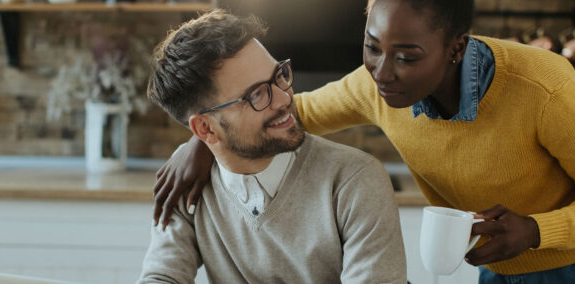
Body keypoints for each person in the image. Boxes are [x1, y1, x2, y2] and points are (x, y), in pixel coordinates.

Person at [152, 0, 575, 283]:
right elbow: (283, 115)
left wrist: (537, 231)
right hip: (509, 266)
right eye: (372, 47)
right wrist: (199, 142)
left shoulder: (544, 87)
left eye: (407, 55)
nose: (383, 72)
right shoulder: (373, 86)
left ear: (454, 48)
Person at [138, 10, 407, 283]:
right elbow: (161, 276)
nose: (284, 98)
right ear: (205, 129)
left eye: (279, 75)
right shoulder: (184, 182)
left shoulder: (354, 181)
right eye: (255, 94)